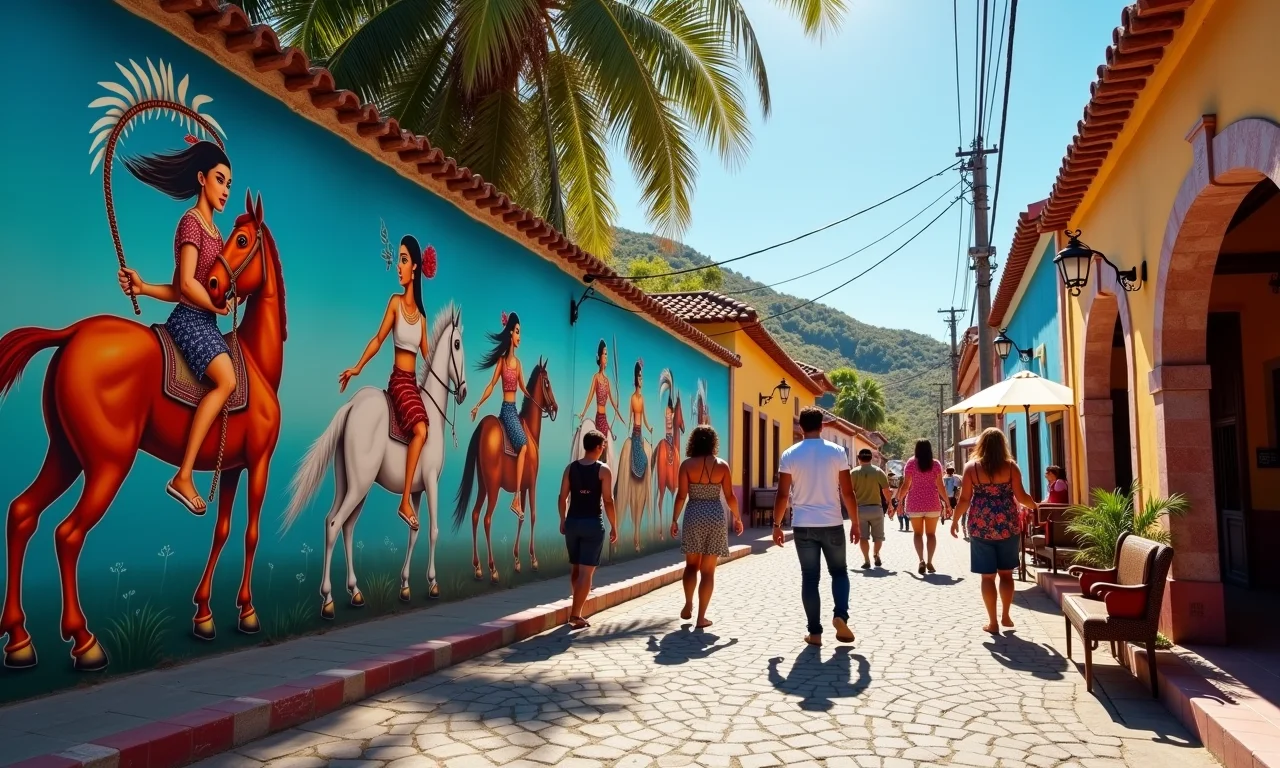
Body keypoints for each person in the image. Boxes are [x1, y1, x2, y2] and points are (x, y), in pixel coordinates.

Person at [117, 140, 238, 516]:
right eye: (220, 180)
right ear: (202, 179)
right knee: (228, 381)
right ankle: (183, 474)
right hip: (190, 322)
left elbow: (174, 286)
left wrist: (143, 287)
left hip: (206, 321)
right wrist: (218, 304)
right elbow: (187, 285)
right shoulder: (191, 223)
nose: (225, 191)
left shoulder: (217, 236)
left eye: (230, 184)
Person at [339, 236, 436, 530]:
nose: (399, 266)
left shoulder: (420, 318)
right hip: (399, 381)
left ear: (415, 268)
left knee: (429, 427)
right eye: (399, 260)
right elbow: (379, 339)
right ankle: (405, 500)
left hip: (414, 383)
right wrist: (357, 367)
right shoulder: (395, 303)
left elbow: (428, 357)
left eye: (404, 260)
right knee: (420, 429)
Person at [772, 407, 860, 646]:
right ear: (822, 427)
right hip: (832, 522)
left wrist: (777, 525)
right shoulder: (837, 452)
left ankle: (815, 633)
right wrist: (856, 524)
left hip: (803, 525)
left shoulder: (789, 454)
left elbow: (782, 495)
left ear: (800, 428)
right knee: (839, 572)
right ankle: (840, 615)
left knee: (810, 578)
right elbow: (848, 492)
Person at [950, 428, 1039, 633]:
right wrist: (1035, 506)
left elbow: (964, 499)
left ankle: (993, 622)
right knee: (1006, 574)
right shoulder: (1011, 467)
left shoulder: (971, 468)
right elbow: (1022, 496)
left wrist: (955, 521)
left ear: (981, 445)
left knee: (987, 576)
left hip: (980, 524)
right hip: (1007, 523)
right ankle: (1006, 615)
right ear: (1002, 445)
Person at [670, 425, 742, 628]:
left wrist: (675, 519)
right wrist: (737, 518)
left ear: (693, 441)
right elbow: (730, 496)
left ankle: (688, 604)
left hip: (694, 514)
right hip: (715, 516)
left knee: (691, 566)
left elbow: (681, 496)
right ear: (713, 442)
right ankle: (701, 618)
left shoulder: (686, 465)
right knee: (708, 571)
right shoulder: (722, 466)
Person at [471, 312, 530, 519]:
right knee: (523, 446)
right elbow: (491, 385)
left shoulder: (519, 364)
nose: (519, 336)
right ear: (510, 334)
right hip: (507, 409)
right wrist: (478, 404)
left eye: (520, 333)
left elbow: (523, 387)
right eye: (517, 332)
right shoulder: (502, 363)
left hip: (514, 409)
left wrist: (535, 401)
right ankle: (516, 499)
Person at [557, 430, 619, 629]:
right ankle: (575, 615)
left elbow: (562, 497)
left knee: (575, 568)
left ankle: (577, 610)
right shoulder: (603, 470)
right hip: (592, 523)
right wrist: (614, 526)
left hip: (573, 523)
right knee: (586, 573)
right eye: (603, 446)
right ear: (599, 447)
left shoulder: (570, 468)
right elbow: (608, 500)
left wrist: (562, 519)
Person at [894, 440, 950, 574]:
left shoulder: (911, 463)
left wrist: (900, 502)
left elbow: (906, 485)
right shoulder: (935, 464)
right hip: (932, 504)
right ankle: (930, 561)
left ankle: (921, 560)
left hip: (914, 504)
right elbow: (940, 486)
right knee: (931, 534)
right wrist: (947, 504)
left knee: (917, 534)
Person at [577, 339, 624, 446]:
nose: (606, 357)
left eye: (607, 354)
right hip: (599, 417)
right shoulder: (596, 377)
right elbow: (590, 397)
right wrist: (583, 413)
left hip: (605, 418)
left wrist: (619, 415)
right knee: (603, 444)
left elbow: (612, 401)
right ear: (599, 356)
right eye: (604, 354)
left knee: (607, 444)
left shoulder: (607, 381)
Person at [850, 449, 892, 569]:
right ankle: (876, 554)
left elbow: (849, 493)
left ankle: (866, 560)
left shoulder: (853, 473)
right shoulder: (878, 472)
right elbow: (886, 491)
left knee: (863, 537)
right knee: (878, 537)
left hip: (860, 510)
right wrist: (890, 505)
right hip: (876, 509)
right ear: (871, 458)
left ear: (859, 459)